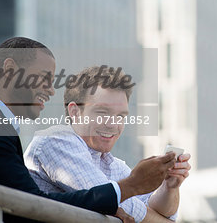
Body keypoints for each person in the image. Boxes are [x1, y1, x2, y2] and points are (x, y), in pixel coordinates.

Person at [0, 37, 176, 223]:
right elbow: (27, 203)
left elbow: (28, 200)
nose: (50, 90)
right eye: (44, 79)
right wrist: (130, 186)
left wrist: (168, 186)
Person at [24, 66, 191, 222]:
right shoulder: (56, 141)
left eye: (120, 116)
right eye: (103, 112)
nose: (113, 124)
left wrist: (170, 186)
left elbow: (160, 211)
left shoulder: (114, 165)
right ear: (75, 111)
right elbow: (108, 198)